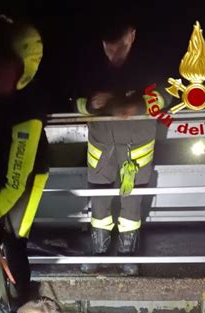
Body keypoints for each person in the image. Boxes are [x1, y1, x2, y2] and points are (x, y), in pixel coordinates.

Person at [63, 9, 166, 275]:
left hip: (137, 148)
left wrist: (136, 106)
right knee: (99, 200)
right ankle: (98, 249)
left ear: (132, 36)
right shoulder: (90, 65)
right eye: (109, 48)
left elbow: (168, 96)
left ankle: (128, 252)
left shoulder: (150, 61)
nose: (114, 54)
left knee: (131, 200)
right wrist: (92, 104)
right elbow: (74, 101)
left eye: (119, 46)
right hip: (101, 146)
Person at [0, 16, 49, 304]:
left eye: (5, 65)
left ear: (22, 70)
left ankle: (22, 297)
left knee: (15, 238)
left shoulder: (28, 111)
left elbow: (17, 182)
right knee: (2, 225)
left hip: (28, 179)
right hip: (3, 168)